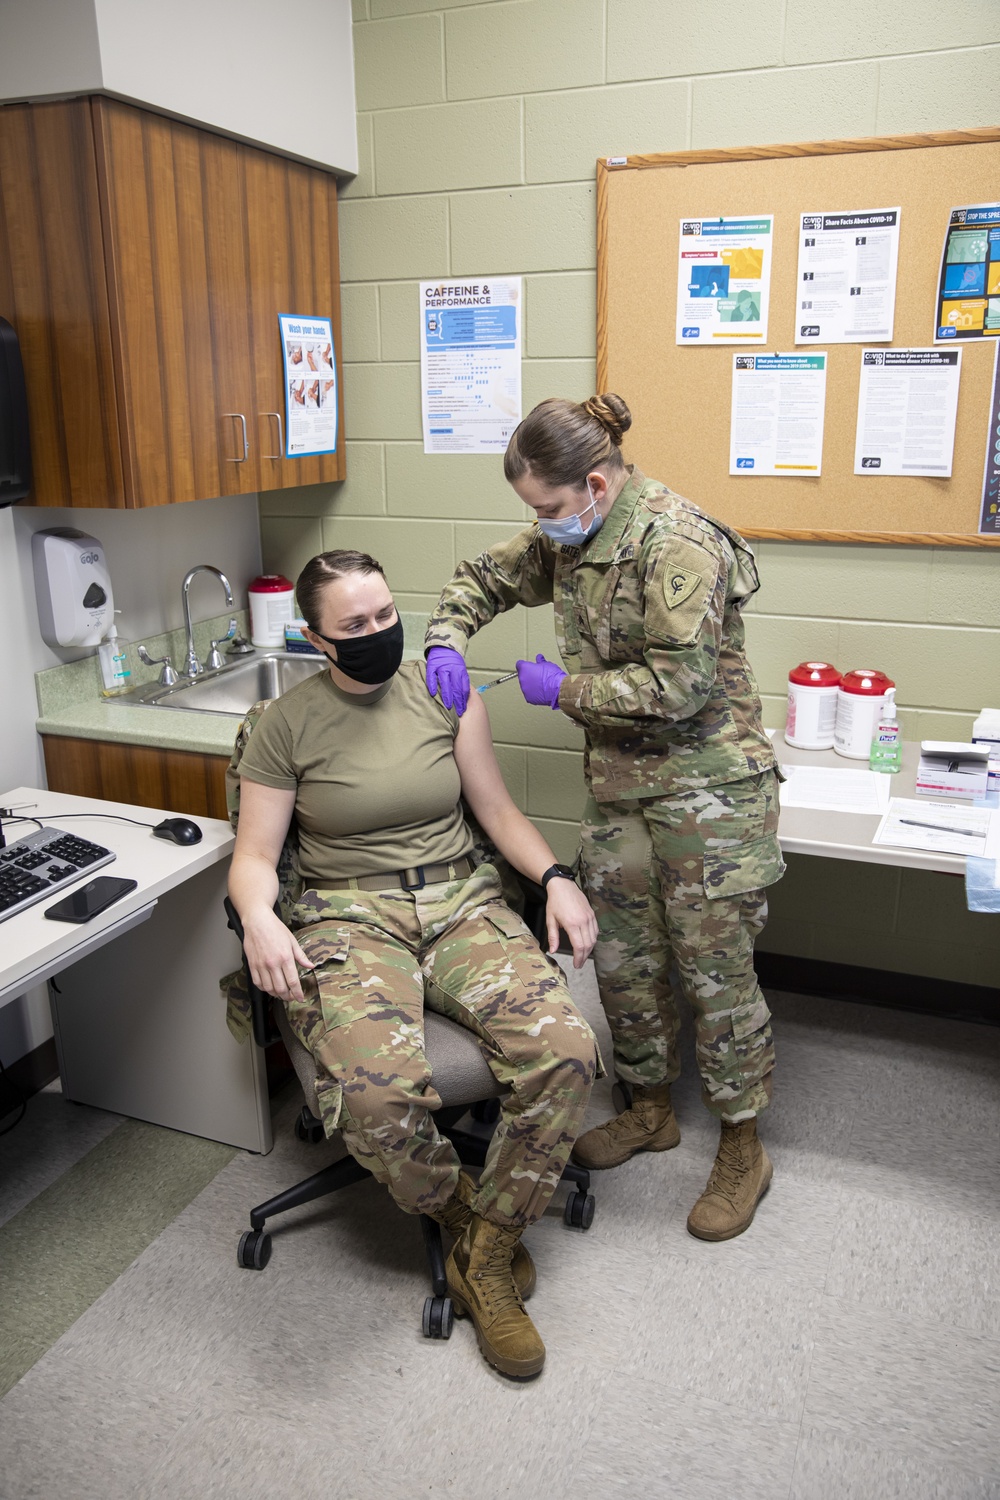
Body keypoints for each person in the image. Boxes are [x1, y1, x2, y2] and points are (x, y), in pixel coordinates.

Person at [228, 549, 600, 1381]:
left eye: (387, 615)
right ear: (315, 638)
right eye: (354, 625)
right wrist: (257, 914)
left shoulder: (443, 691)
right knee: (371, 1093)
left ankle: (489, 1255)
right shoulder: (283, 725)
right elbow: (254, 855)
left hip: (461, 902)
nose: (377, 634)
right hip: (349, 915)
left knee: (567, 1053)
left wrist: (556, 880)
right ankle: (468, 1216)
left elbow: (497, 809)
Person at [424, 394, 783, 1242]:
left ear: (593, 483)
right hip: (621, 787)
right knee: (622, 961)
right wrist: (445, 636)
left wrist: (565, 690)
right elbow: (485, 577)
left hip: (708, 797)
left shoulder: (676, 543)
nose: (540, 527)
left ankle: (743, 1146)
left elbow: (679, 687)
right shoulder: (576, 533)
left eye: (546, 510)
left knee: (714, 974)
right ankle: (649, 1106)